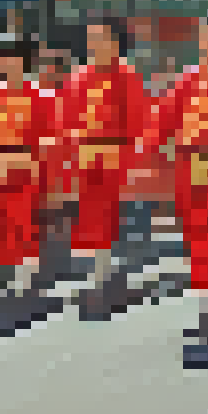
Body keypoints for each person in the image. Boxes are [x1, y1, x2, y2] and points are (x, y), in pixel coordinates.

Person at [139, 17, 208, 340]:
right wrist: (148, 151)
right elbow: (163, 118)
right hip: (189, 172)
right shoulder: (188, 79)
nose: (202, 40)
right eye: (202, 35)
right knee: (198, 243)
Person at [0, 35, 58, 323]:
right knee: (5, 228)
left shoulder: (41, 96)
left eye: (14, 57)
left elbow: (53, 138)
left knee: (26, 225)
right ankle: (19, 282)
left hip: (30, 171)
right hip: (1, 172)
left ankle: (27, 285)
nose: (9, 63)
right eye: (4, 58)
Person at [62, 18, 149, 315]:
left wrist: (135, 159)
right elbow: (67, 119)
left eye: (100, 37)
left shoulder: (127, 75)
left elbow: (138, 122)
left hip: (114, 155)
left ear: (115, 42)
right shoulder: (78, 77)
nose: (95, 43)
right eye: (91, 37)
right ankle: (101, 274)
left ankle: (104, 277)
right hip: (86, 156)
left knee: (107, 216)